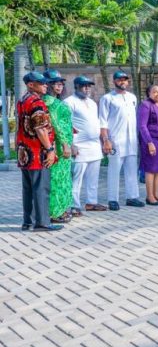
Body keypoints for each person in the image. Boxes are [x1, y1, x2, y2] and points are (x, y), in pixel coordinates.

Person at [17, 72, 62, 232]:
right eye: (41, 83)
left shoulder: (23, 100)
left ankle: (28, 221)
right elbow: (40, 129)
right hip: (37, 152)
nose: (45, 85)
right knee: (41, 188)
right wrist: (50, 149)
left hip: (25, 153)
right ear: (31, 84)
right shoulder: (36, 102)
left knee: (28, 189)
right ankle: (42, 222)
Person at [100, 71, 144, 210]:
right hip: (115, 140)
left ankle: (132, 197)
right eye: (120, 79)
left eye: (125, 79)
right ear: (114, 81)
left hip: (131, 140)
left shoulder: (132, 97)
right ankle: (113, 199)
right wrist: (106, 140)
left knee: (132, 170)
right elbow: (102, 122)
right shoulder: (107, 98)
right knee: (114, 171)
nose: (123, 82)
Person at [64, 75, 105, 215]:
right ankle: (74, 206)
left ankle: (91, 202)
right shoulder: (69, 102)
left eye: (89, 86)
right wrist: (71, 144)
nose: (87, 88)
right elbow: (66, 125)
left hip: (94, 145)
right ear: (76, 86)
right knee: (77, 179)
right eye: (84, 86)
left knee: (93, 178)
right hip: (79, 145)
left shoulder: (92, 103)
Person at [42, 70, 74, 223]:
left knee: (63, 178)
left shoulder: (55, 101)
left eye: (61, 83)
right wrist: (66, 145)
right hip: (59, 146)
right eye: (55, 83)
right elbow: (56, 124)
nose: (59, 86)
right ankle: (55, 213)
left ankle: (61, 209)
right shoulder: (50, 102)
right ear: (48, 85)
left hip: (64, 144)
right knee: (57, 180)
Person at [137, 85, 158, 206]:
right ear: (149, 93)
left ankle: (156, 194)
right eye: (155, 92)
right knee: (150, 169)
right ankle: (149, 196)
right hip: (150, 140)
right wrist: (149, 142)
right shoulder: (145, 105)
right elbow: (142, 126)